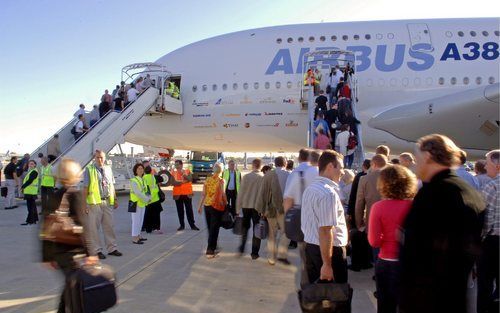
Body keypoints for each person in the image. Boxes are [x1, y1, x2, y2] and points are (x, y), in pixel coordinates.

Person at [399, 134, 485, 313]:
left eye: (418, 158)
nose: (416, 164)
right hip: (454, 293)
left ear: (429, 156)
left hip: (429, 295)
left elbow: (426, 248)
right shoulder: (468, 190)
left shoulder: (434, 193)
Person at [41, 158, 98, 313]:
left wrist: (47, 256)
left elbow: (45, 229)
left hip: (58, 251)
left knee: (70, 284)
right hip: (72, 251)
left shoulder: (53, 195)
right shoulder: (75, 195)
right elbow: (83, 226)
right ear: (74, 175)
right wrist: (91, 253)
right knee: (75, 289)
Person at [368, 165, 417, 313]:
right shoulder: (414, 206)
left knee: (385, 305)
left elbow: (374, 241)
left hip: (386, 261)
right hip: (409, 262)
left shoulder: (378, 207)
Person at [301, 150, 348, 284]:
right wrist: (327, 264)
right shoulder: (328, 193)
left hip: (312, 249)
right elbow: (325, 230)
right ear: (330, 167)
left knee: (317, 297)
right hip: (329, 253)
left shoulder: (311, 189)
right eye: (341, 168)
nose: (343, 172)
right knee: (335, 298)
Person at [283, 148, 318, 284]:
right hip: (319, 218)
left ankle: (308, 286)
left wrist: (288, 217)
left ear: (299, 158)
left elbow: (288, 199)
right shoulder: (320, 172)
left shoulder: (296, 174)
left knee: (305, 255)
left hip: (301, 217)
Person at [83, 150, 122, 259]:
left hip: (107, 202)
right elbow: (85, 188)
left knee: (109, 226)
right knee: (94, 228)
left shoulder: (108, 169)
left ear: (105, 158)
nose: (100, 159)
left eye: (101, 157)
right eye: (97, 157)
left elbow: (111, 186)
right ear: (94, 158)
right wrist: (84, 204)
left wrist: (115, 199)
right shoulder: (89, 170)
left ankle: (112, 248)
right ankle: (96, 250)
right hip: (95, 203)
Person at [477, 150, 499, 313]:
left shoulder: (492, 186)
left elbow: (486, 217)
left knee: (485, 283)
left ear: (498, 166)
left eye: (487, 163)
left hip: (493, 241)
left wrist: (480, 237)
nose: (485, 166)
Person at [256, 157, 289, 265]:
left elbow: (263, 193)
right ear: (285, 163)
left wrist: (261, 209)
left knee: (272, 234)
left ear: (275, 164)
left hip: (270, 209)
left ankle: (271, 258)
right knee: (286, 232)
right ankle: (281, 251)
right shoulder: (289, 175)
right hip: (284, 209)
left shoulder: (268, 175)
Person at [355, 154, 388, 261]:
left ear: (373, 164)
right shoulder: (393, 176)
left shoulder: (364, 179)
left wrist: (359, 223)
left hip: (373, 219)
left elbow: (359, 203)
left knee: (377, 252)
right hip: (393, 219)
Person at [347, 159, 373, 271]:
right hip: (371, 213)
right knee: (367, 239)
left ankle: (356, 263)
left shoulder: (360, 177)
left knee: (356, 239)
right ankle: (367, 262)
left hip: (359, 211)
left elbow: (354, 196)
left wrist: (350, 212)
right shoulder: (377, 178)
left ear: (363, 166)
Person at [197, 163, 227, 258]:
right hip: (216, 206)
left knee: (210, 228)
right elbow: (222, 194)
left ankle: (214, 246)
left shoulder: (207, 180)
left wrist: (199, 206)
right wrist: (226, 203)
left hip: (207, 206)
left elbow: (203, 194)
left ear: (213, 170)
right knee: (215, 228)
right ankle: (210, 250)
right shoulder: (221, 181)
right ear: (221, 171)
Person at [236, 159, 264, 259]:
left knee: (245, 228)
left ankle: (242, 248)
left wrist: (238, 207)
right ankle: (254, 253)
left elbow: (241, 193)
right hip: (257, 207)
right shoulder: (262, 178)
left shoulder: (246, 177)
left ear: (253, 165)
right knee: (257, 230)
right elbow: (263, 195)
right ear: (260, 166)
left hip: (246, 206)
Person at [170, 160, 199, 231]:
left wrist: (184, 175)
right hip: (178, 194)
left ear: (181, 165)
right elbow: (172, 182)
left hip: (187, 194)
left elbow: (190, 179)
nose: (176, 166)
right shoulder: (173, 172)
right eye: (175, 165)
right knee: (180, 210)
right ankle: (182, 225)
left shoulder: (187, 171)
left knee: (189, 210)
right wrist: (181, 182)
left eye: (178, 165)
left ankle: (192, 225)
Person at [129, 163, 150, 244]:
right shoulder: (133, 180)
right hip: (135, 203)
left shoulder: (144, 180)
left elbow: (147, 191)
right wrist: (147, 199)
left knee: (140, 220)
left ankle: (138, 235)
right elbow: (138, 193)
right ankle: (134, 237)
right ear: (135, 171)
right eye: (139, 169)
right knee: (136, 221)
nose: (141, 170)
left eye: (142, 168)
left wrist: (149, 198)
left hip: (142, 203)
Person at [142, 164, 164, 234]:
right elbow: (161, 180)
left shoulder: (143, 178)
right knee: (156, 214)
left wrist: (148, 197)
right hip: (156, 198)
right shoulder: (153, 177)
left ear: (144, 172)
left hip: (148, 199)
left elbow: (146, 189)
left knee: (148, 214)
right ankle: (157, 228)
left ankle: (148, 229)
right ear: (151, 171)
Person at [20, 160, 39, 225]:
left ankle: (29, 221)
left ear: (35, 165)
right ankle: (34, 220)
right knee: (33, 206)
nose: (30, 165)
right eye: (29, 164)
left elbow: (30, 181)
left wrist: (23, 186)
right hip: (31, 191)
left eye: (32, 164)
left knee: (30, 207)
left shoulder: (34, 172)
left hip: (30, 192)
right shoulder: (31, 171)